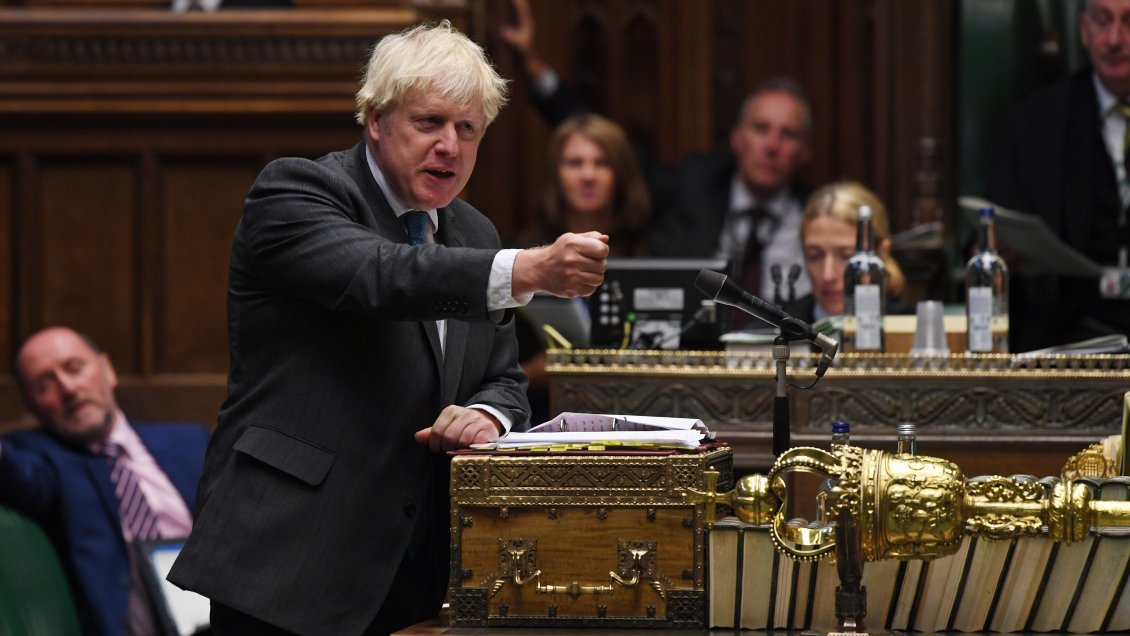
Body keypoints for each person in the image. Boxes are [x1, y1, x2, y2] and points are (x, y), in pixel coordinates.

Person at [167, 20, 609, 635]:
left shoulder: (474, 232)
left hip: (411, 575)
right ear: (376, 119)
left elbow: (504, 379)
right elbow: (382, 275)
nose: (450, 146)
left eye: (468, 129)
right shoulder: (297, 191)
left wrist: (487, 415)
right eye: (429, 123)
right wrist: (528, 268)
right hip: (287, 562)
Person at [499, 0, 814, 304]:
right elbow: (610, 149)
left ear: (805, 152)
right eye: (761, 129)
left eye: (788, 134)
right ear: (737, 138)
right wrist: (533, 66)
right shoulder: (696, 185)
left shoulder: (814, 213)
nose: (772, 146)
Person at [0, 326, 210, 636]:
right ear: (30, 406)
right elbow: (19, 476)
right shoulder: (42, 458)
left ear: (107, 370)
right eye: (44, 385)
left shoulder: (192, 442)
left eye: (75, 368)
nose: (68, 388)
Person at [988, 0, 1130, 351]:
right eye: (1102, 21)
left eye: (1129, 22)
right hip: (1069, 337)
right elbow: (997, 227)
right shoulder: (1034, 122)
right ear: (1083, 30)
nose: (1114, 39)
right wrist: (994, 247)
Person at [514, 112, 650, 422]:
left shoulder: (648, 254)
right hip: (539, 414)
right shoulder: (523, 255)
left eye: (602, 163)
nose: (588, 175)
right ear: (556, 174)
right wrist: (535, 371)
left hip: (631, 414)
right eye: (575, 163)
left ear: (620, 174)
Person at [786, 181, 907, 323]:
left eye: (847, 256)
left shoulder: (911, 326)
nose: (828, 275)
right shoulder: (780, 328)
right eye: (815, 256)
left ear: (882, 253)